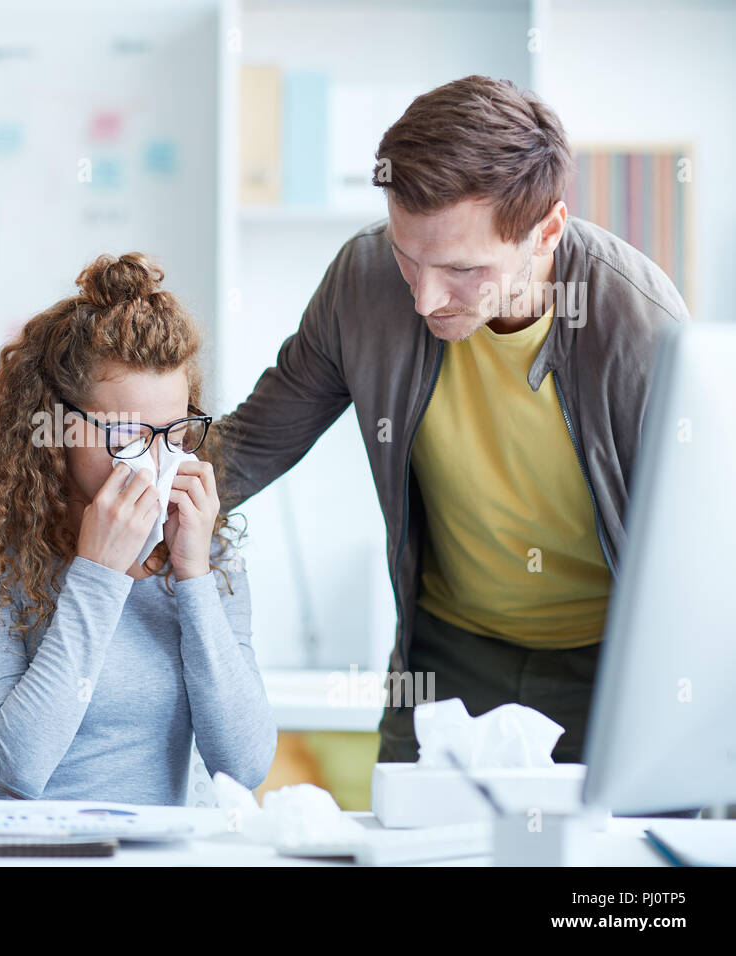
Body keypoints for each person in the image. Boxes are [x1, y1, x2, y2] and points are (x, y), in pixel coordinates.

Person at [213, 75, 690, 771]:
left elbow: (700, 554)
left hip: (614, 668)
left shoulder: (637, 325)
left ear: (546, 230)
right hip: (446, 658)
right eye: (410, 257)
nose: (427, 298)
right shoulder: (363, 281)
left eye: (464, 269)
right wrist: (100, 497)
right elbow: (252, 442)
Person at [0, 252, 277, 805]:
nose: (155, 461)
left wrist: (195, 578)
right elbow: (18, 768)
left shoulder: (207, 552)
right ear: (57, 427)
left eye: (175, 432)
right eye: (128, 434)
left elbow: (244, 767)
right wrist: (99, 574)